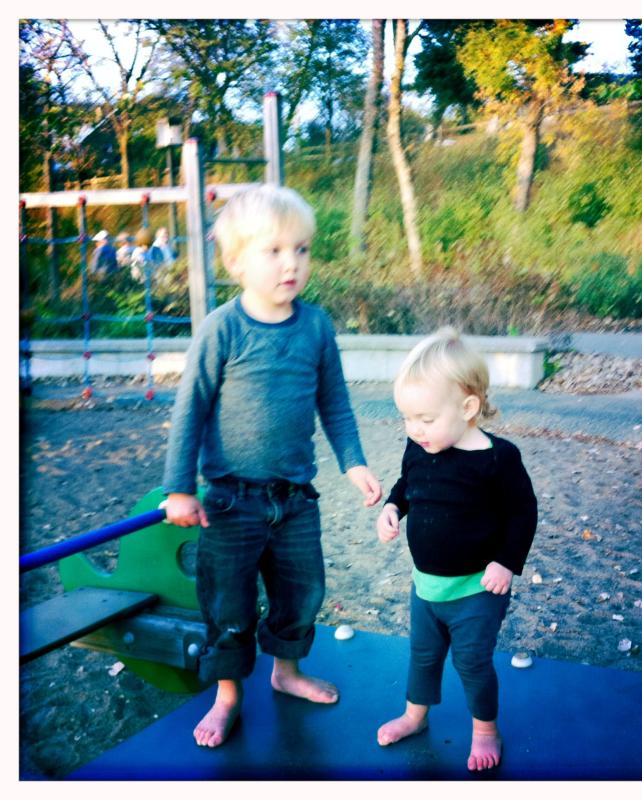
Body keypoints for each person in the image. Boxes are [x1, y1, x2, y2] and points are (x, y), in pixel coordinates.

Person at [162, 184, 382, 749]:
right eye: (275, 251)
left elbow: (334, 401)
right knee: (228, 602)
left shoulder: (316, 326)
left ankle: (286, 672)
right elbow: (190, 408)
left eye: (302, 249)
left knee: (302, 592)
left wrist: (354, 463)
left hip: (295, 499)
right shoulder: (222, 329)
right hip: (230, 500)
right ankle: (227, 694)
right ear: (237, 262)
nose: (292, 263)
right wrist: (179, 488)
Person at [375, 328, 538, 772]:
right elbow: (407, 484)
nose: (414, 429)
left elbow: (523, 512)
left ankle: (485, 730)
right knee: (423, 655)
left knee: (472, 661)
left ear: (467, 408)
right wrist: (392, 507)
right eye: (407, 418)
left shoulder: (497, 458)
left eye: (425, 419)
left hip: (476, 589)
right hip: (425, 587)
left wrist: (507, 562)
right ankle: (415, 716)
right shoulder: (419, 447)